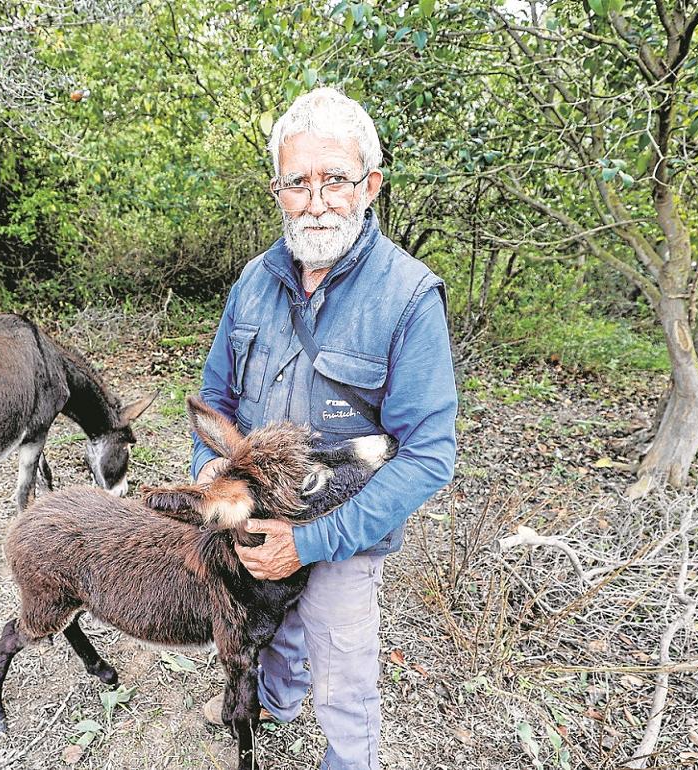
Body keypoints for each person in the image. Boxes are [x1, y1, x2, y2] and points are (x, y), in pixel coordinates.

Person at [191, 87, 458, 770]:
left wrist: (312, 540)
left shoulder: (407, 296)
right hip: (257, 520)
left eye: (334, 179)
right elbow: (213, 396)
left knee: (342, 671)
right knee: (266, 630)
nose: (316, 201)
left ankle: (346, 757)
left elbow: (428, 456)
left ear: (369, 185)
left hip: (345, 531)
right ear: (277, 189)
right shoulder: (253, 281)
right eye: (297, 182)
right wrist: (208, 475)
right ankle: (275, 704)